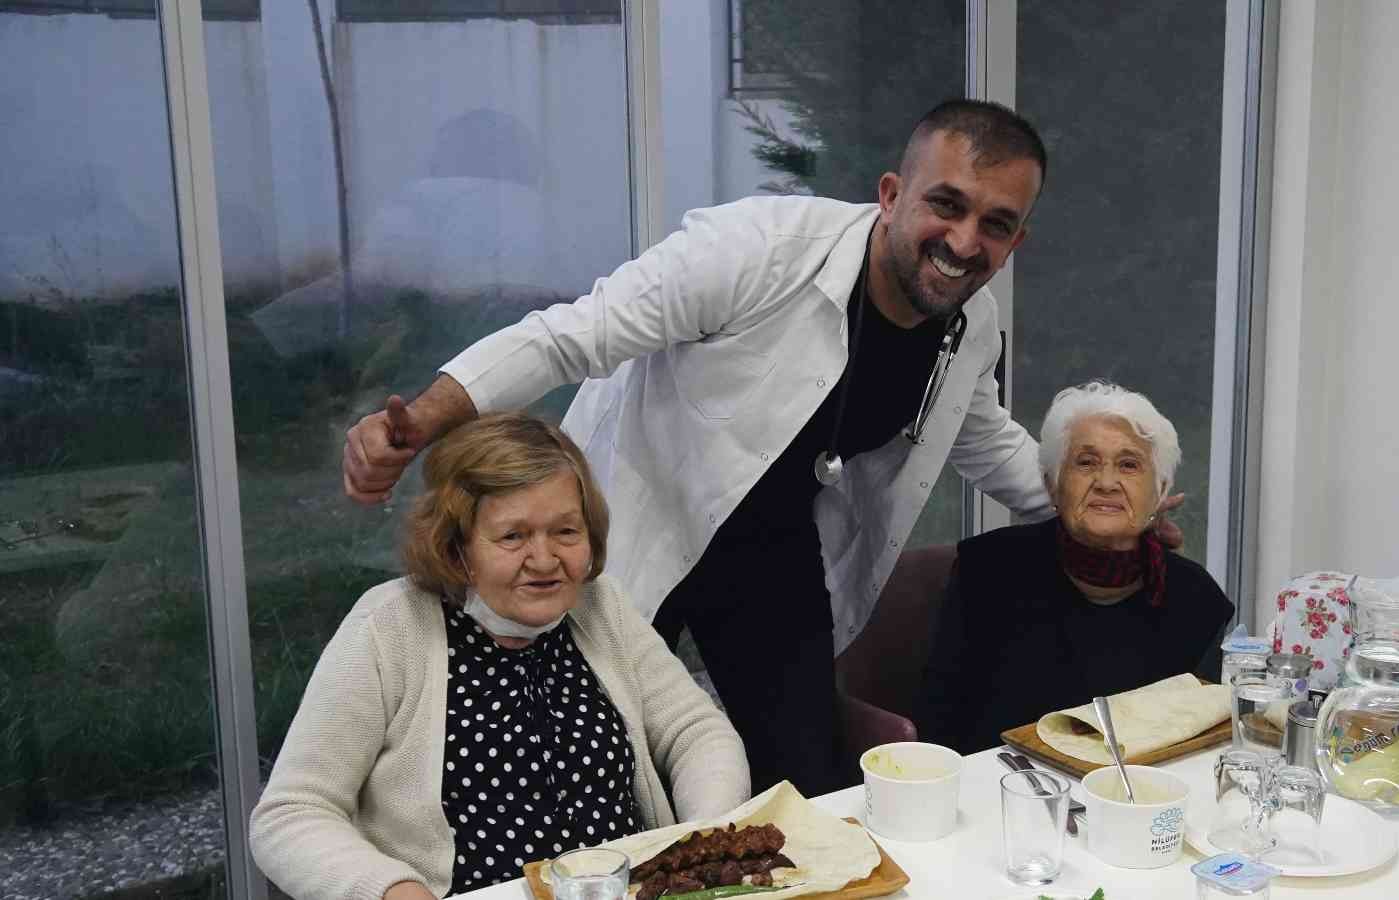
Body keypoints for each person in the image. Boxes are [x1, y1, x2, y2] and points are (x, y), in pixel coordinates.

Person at [342, 99, 1180, 795]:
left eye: (996, 225)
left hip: (773, 549)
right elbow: (571, 335)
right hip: (644, 518)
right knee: (601, 767)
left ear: (1017, 240)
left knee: (805, 773)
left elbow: (983, 436)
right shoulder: (756, 250)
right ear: (891, 194)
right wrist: (420, 421)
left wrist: (1099, 513)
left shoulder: (973, 323)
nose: (964, 243)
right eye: (946, 205)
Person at [254, 414, 747, 900]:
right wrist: (393, 891)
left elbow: (696, 733)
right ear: (455, 547)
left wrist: (705, 839)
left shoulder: (602, 606)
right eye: (513, 536)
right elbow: (292, 814)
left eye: (566, 532)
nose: (545, 559)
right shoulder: (388, 628)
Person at [918, 381, 1231, 755]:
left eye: (1129, 465)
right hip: (1006, 792)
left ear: (1160, 492)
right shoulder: (987, 570)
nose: (1107, 482)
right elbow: (939, 726)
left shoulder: (1197, 600)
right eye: (1086, 462)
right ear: (1052, 486)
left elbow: (1202, 746)